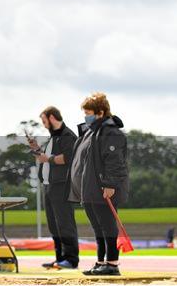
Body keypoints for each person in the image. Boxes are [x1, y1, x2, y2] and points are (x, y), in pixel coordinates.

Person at [65, 92, 129, 276]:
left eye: (89, 112)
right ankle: (101, 261)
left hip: (103, 189)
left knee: (107, 225)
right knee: (97, 226)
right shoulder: (91, 132)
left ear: (100, 112)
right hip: (89, 189)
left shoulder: (110, 133)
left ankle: (112, 263)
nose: (86, 116)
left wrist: (110, 184)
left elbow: (115, 161)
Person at [29, 107, 79, 269]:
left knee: (65, 222)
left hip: (62, 186)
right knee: (54, 224)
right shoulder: (53, 138)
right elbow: (45, 159)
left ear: (52, 117)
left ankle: (71, 259)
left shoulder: (68, 136)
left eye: (44, 121)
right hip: (49, 186)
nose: (44, 125)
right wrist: (36, 149)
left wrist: (48, 158)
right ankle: (60, 259)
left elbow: (68, 158)